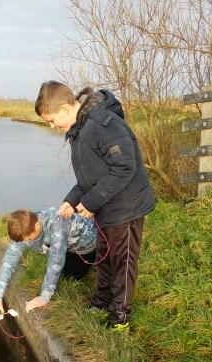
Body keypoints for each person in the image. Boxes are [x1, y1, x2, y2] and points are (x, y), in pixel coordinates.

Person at [35, 81, 156, 330]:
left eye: (51, 120)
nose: (52, 126)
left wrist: (90, 201)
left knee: (122, 261)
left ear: (66, 107)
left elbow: (124, 167)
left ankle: (119, 316)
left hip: (126, 206)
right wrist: (72, 200)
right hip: (106, 205)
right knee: (104, 256)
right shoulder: (79, 131)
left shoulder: (104, 125)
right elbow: (88, 178)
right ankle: (101, 302)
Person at [0, 208, 96, 317]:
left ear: (37, 226)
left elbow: (55, 262)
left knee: (69, 277)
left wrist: (44, 297)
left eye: (28, 239)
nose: (25, 243)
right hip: (64, 246)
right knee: (56, 273)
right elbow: (9, 259)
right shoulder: (25, 227)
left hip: (84, 249)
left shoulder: (57, 225)